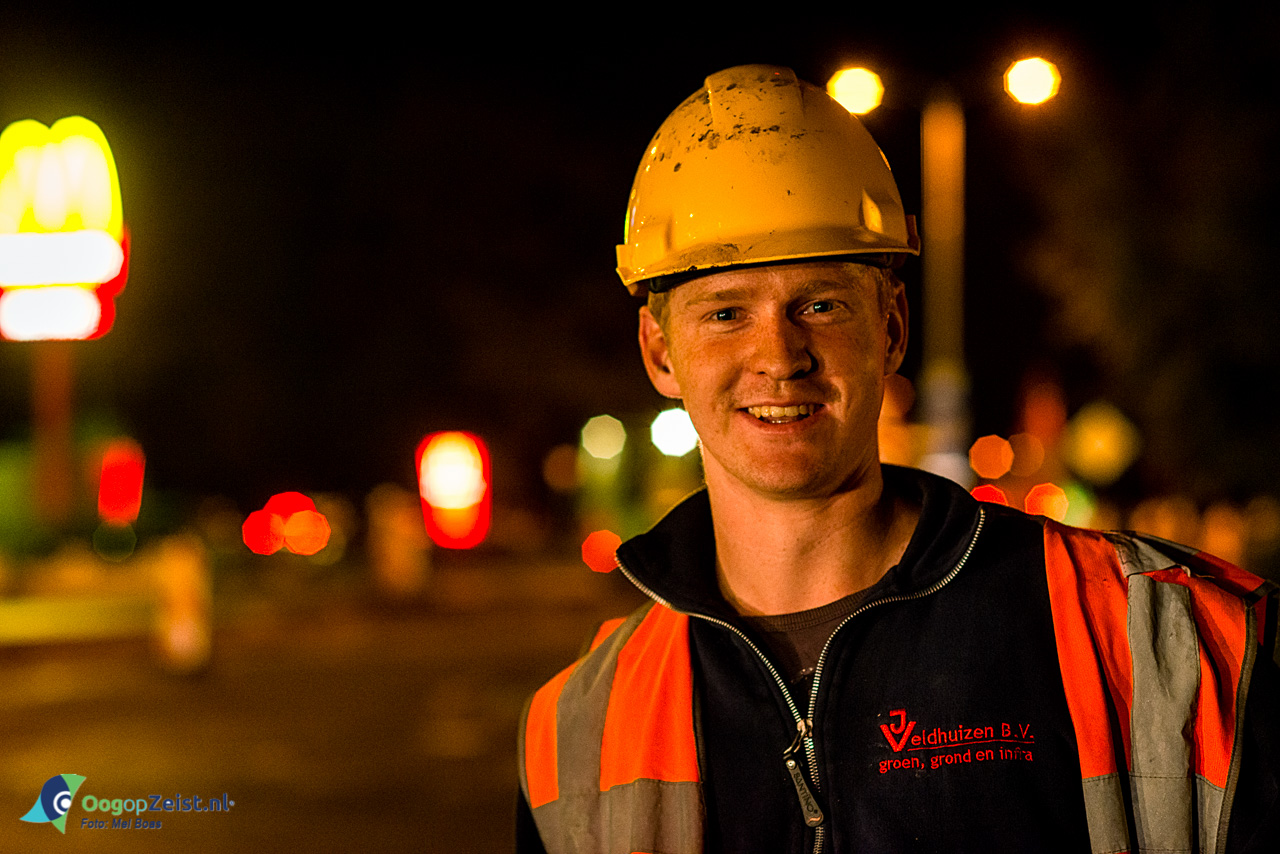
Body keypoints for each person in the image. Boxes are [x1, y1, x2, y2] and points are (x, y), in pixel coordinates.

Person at [516, 64, 1279, 853]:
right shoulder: (576, 729)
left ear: (890, 330)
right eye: (726, 312)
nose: (778, 357)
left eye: (820, 305)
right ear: (659, 352)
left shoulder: (1171, 640)